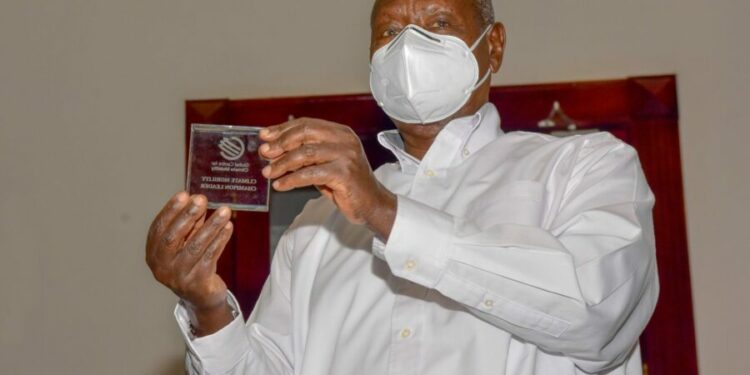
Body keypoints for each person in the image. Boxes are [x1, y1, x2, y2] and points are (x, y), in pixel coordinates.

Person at [145, 0, 659, 374]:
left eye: (438, 23)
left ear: (494, 46)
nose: (411, 48)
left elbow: (596, 317)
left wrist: (385, 214)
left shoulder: (585, 166)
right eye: (389, 32)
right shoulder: (317, 225)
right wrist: (207, 306)